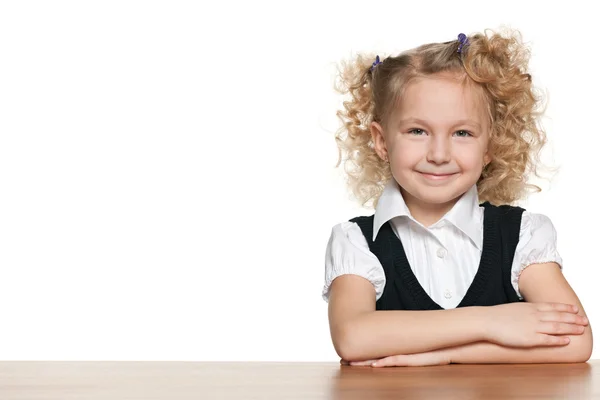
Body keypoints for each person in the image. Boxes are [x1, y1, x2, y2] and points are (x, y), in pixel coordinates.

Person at [323, 28, 593, 367]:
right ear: (381, 140)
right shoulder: (356, 242)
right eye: (417, 131)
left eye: (462, 133)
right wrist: (491, 322)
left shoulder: (522, 236)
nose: (438, 154)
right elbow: (353, 337)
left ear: (491, 145)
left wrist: (445, 355)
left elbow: (575, 342)